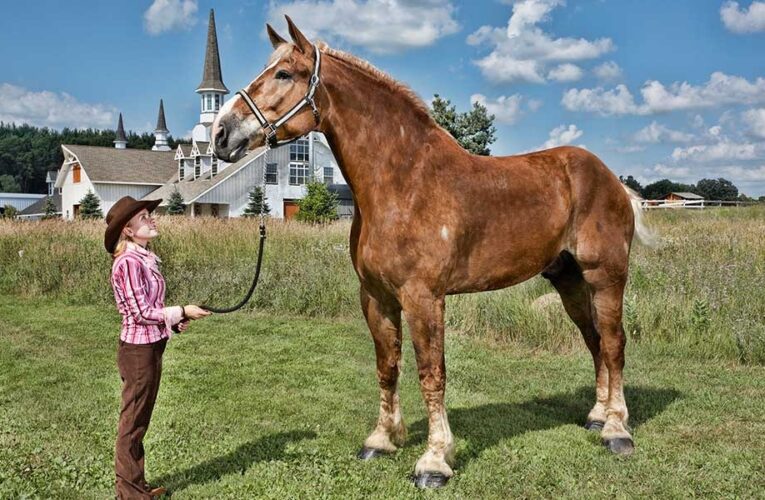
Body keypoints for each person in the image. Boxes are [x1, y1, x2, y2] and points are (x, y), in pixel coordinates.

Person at [104, 196, 211, 498]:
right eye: (144, 217)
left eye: (150, 215)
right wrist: (181, 311)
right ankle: (130, 493)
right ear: (127, 229)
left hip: (151, 347)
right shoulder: (127, 263)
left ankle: (135, 485)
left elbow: (151, 308)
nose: (152, 220)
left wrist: (173, 321)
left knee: (140, 421)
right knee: (132, 423)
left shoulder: (143, 257)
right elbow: (140, 313)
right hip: (137, 353)